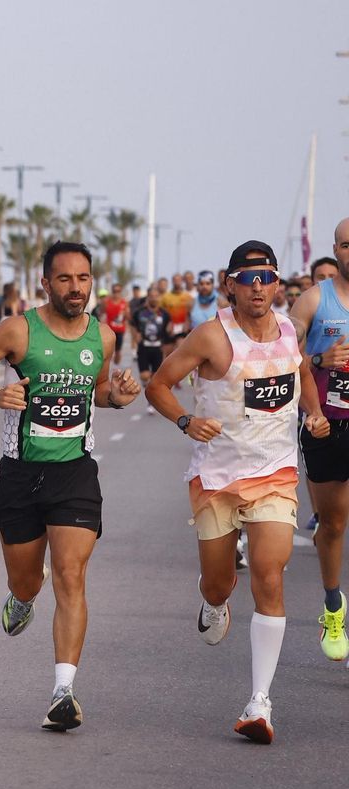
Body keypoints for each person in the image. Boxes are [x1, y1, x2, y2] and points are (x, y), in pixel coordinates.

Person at [145, 240, 325, 745]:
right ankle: (213, 602)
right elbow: (158, 385)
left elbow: (304, 373)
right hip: (218, 479)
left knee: (269, 575)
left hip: (276, 473)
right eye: (248, 279)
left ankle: (259, 703)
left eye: (267, 278)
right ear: (230, 285)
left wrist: (311, 412)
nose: (259, 288)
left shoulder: (290, 329)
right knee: (219, 583)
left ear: (277, 283)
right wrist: (186, 420)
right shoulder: (211, 337)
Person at [0, 241, 141, 731]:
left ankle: (64, 690)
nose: (75, 288)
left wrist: (116, 397)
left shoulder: (101, 335)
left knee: (70, 574)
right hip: (21, 473)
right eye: (65, 279)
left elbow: (96, 389)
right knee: (28, 580)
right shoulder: (18, 330)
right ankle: (20, 598)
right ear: (46, 283)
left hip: (75, 472)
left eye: (83, 279)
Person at [288, 217, 349, 661]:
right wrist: (319, 357)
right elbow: (280, 355)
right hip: (328, 425)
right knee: (333, 524)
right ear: (335, 249)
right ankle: (333, 605)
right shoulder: (316, 299)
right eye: (346, 245)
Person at [131, 286, 171, 382]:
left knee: (156, 378)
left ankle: (150, 390)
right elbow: (133, 326)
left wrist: (166, 349)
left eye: (156, 296)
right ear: (148, 297)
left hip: (158, 348)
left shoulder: (165, 314)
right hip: (143, 347)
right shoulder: (139, 312)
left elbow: (167, 331)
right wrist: (135, 338)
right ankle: (147, 383)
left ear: (159, 297)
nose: (154, 298)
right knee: (144, 376)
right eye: (151, 296)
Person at [98, 282, 129, 364]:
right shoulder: (107, 302)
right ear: (112, 291)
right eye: (114, 291)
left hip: (120, 330)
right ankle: (106, 366)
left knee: (118, 352)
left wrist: (125, 314)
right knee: (107, 350)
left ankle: (116, 366)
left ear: (121, 291)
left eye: (118, 291)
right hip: (109, 330)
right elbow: (101, 314)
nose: (116, 293)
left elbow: (128, 317)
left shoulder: (124, 303)